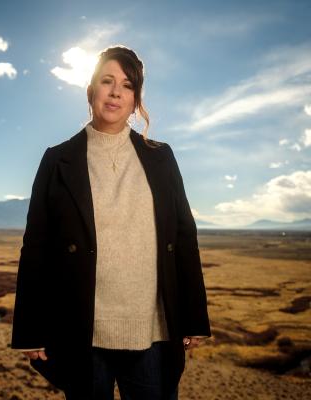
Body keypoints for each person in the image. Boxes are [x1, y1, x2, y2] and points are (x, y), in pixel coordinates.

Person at [11, 45, 211, 400]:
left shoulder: (160, 158)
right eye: (107, 81)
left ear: (136, 99)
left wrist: (195, 318)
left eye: (128, 85)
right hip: (82, 332)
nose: (117, 91)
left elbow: (183, 238)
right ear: (91, 91)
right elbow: (37, 246)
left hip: (151, 331)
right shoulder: (57, 160)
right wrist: (29, 330)